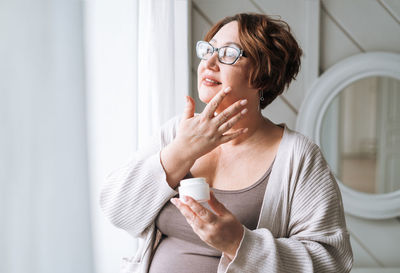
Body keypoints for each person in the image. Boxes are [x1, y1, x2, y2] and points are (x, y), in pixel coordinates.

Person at [100, 13, 353, 273]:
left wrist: (239, 243)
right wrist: (181, 151)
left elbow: (331, 261)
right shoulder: (178, 131)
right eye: (208, 50)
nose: (209, 62)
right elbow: (117, 211)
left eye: (229, 53)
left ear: (263, 75)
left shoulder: (298, 157)